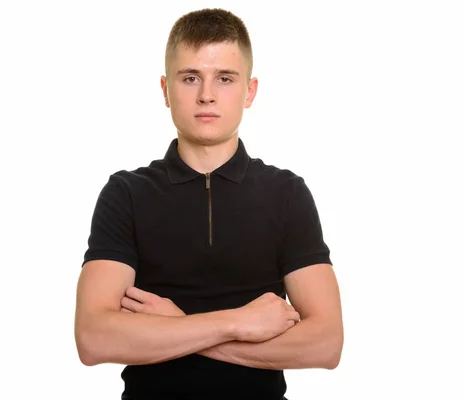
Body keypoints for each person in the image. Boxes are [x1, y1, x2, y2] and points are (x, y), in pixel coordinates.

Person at [74, 8, 343, 400]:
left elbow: (326, 344)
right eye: (190, 78)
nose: (207, 94)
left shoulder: (287, 193)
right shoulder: (126, 193)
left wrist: (178, 327)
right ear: (166, 89)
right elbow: (94, 338)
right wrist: (237, 323)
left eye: (225, 78)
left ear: (249, 91)